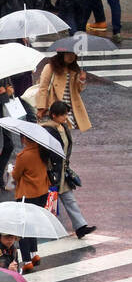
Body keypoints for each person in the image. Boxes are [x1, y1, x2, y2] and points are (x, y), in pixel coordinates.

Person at [41, 100, 95, 239]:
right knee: (48, 202)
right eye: (62, 115)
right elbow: (44, 152)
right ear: (54, 115)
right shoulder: (47, 130)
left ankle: (81, 227)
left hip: (62, 170)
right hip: (51, 172)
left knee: (69, 199)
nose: (65, 117)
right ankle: (43, 228)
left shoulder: (63, 127)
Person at [11, 136, 48, 269]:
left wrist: (12, 170)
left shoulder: (23, 156)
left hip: (27, 194)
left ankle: (27, 261)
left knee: (23, 228)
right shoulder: (43, 151)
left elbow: (16, 175)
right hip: (42, 192)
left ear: (26, 139)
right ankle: (34, 254)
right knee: (32, 224)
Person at [36, 52, 91, 133]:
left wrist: (81, 80)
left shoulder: (74, 69)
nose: (71, 57)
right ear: (62, 54)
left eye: (73, 54)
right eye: (68, 54)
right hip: (55, 104)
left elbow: (77, 91)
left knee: (67, 131)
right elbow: (43, 88)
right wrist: (41, 108)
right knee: (57, 131)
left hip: (70, 106)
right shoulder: (50, 67)